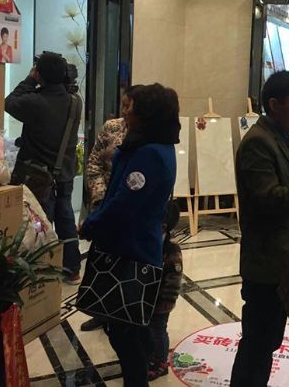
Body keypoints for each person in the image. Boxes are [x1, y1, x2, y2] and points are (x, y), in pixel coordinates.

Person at [80, 83, 180, 387]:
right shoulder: (148, 144)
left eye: (129, 106)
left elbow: (124, 204)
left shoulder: (150, 153)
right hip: (128, 246)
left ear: (147, 113)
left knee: (125, 333)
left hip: (131, 252)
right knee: (127, 328)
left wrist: (90, 225)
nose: (124, 112)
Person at [230, 71, 289, 386]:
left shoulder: (277, 137)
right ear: (274, 104)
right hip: (265, 265)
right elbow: (269, 200)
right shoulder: (259, 142)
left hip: (281, 262)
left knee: (265, 341)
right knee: (258, 343)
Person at [6, 52, 82, 283]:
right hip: (64, 173)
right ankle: (71, 268)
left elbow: (9, 102)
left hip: (38, 177)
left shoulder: (35, 102)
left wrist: (30, 80)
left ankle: (39, 276)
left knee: (38, 225)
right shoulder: (75, 101)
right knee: (65, 218)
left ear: (39, 74)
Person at [80, 85, 142, 332]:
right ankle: (100, 312)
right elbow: (94, 163)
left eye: (128, 106)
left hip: (129, 211)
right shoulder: (111, 128)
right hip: (105, 206)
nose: (123, 110)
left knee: (125, 268)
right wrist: (100, 198)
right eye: (122, 104)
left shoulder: (149, 137)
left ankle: (121, 316)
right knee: (101, 263)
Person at [148, 202, 183, 381]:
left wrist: (165, 301)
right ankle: (151, 356)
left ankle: (161, 363)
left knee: (158, 331)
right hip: (148, 300)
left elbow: (174, 280)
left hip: (161, 302)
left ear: (163, 226)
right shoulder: (150, 242)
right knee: (150, 330)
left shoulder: (171, 249)